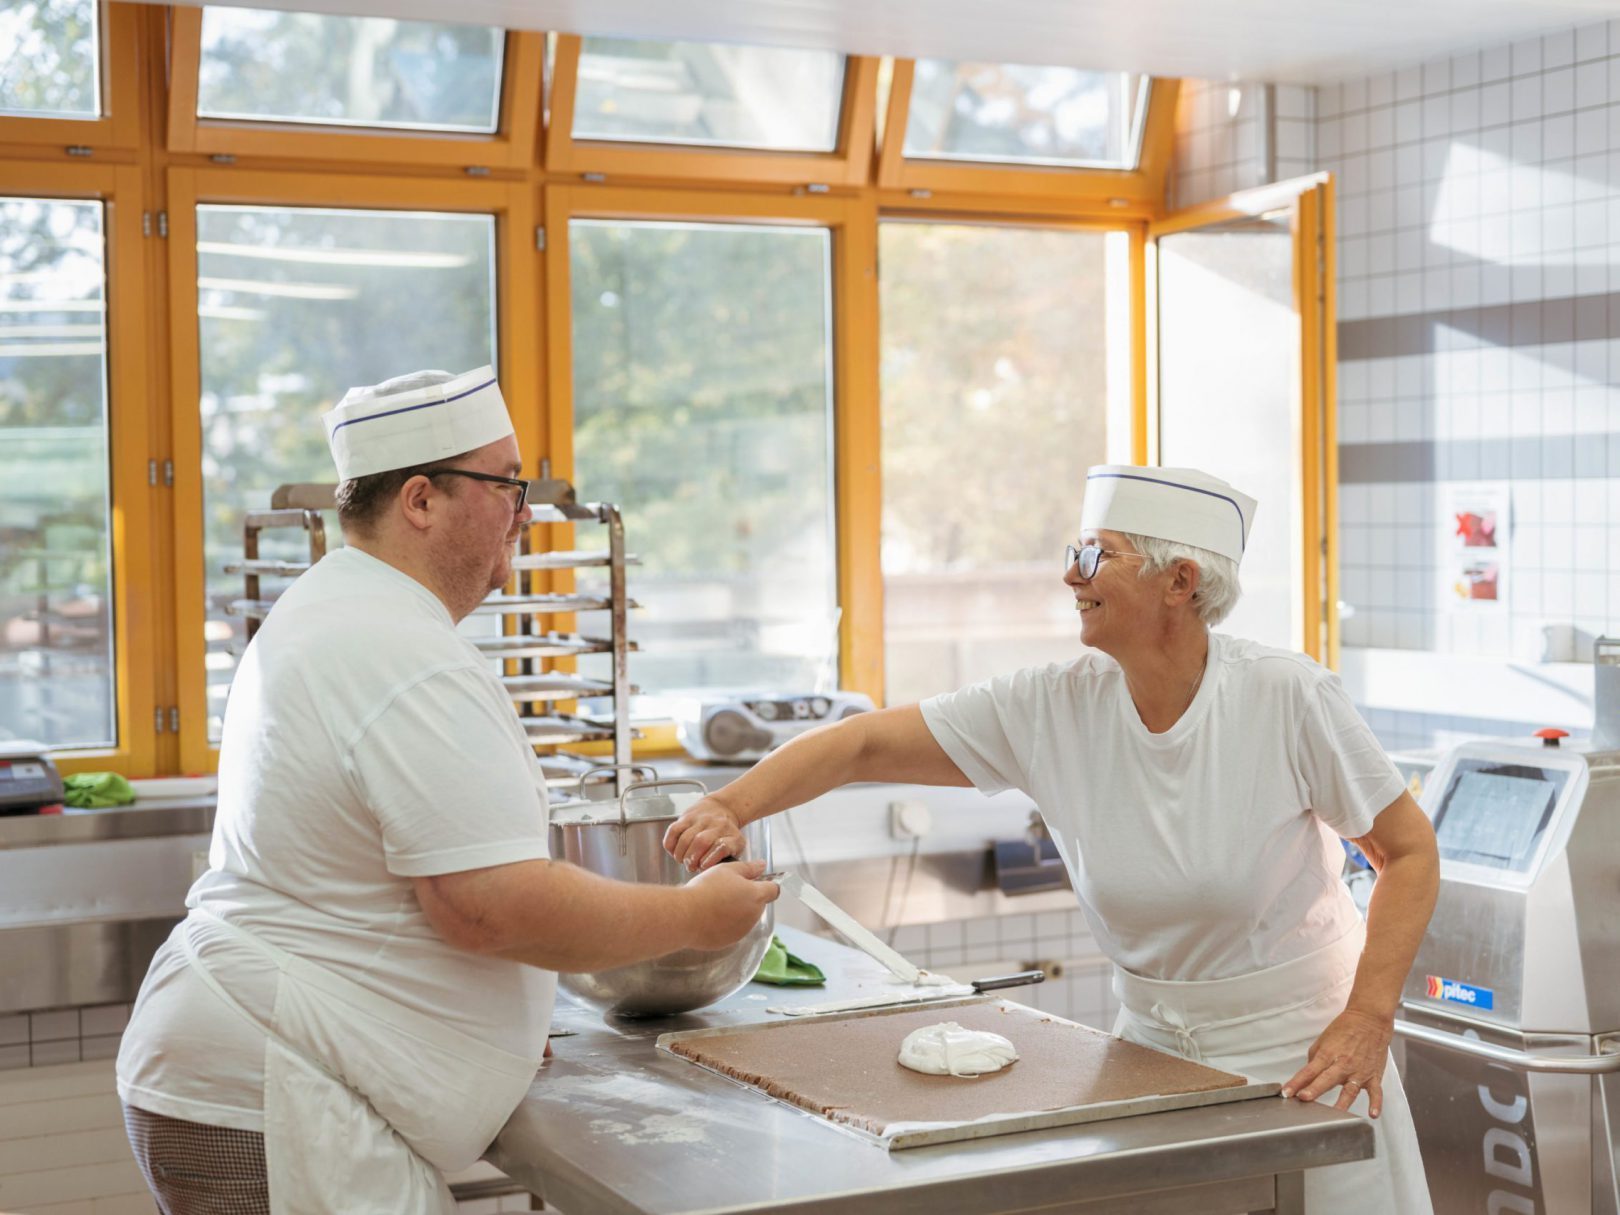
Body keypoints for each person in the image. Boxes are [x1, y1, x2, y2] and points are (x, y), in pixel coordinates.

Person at [666, 464, 1438, 1213]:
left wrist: (1369, 1016)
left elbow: (1407, 851)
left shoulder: (1284, 695)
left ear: (1181, 582)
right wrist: (731, 803)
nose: (1071, 574)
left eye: (1096, 553)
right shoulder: (1052, 705)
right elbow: (863, 743)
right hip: (1152, 1055)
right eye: (1074, 552)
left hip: (1305, 1055)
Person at [118, 367, 778, 1213]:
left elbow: (385, 885)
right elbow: (485, 907)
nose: (526, 511)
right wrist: (696, 915)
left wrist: (478, 1017)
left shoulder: (346, 611)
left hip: (279, 1065)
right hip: (288, 1092)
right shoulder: (395, 649)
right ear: (422, 500)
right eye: (507, 484)